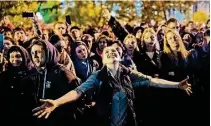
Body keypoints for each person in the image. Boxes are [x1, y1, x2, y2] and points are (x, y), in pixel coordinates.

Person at [33, 46, 192, 126]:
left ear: (120, 57)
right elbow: (78, 91)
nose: (111, 52)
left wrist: (177, 85)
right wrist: (57, 102)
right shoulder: (98, 76)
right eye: (107, 52)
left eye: (114, 51)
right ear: (103, 60)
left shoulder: (129, 73)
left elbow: (152, 81)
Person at [0, 46, 37, 125]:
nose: (15, 60)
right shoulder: (4, 75)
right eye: (12, 57)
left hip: (29, 116)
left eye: (18, 56)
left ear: (24, 56)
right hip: (9, 116)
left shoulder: (34, 73)